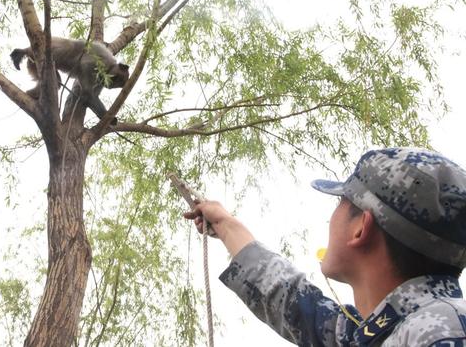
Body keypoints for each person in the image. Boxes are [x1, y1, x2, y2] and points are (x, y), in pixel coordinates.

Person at [184, 147, 466, 346]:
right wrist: (225, 224)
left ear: (360, 228)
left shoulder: (440, 332)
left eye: (340, 203)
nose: (330, 217)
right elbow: (295, 304)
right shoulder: (386, 332)